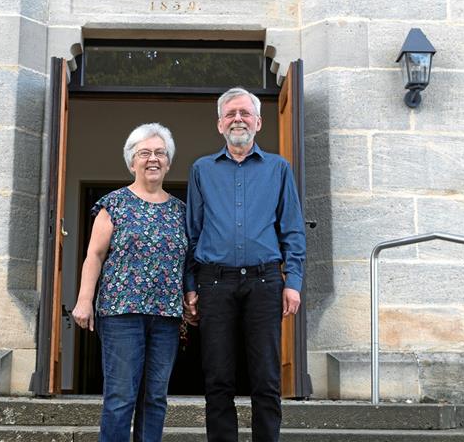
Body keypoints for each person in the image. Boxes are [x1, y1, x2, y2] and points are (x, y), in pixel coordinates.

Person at [183, 87, 306, 442]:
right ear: (220, 124)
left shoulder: (279, 168)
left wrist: (293, 281)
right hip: (214, 283)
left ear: (259, 122)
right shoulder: (202, 170)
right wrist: (190, 285)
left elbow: (293, 228)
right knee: (217, 377)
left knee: (266, 378)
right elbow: (193, 233)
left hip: (265, 282)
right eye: (231, 113)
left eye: (245, 113)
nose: (238, 119)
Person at [72, 123, 187, 442]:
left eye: (160, 153)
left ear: (168, 161)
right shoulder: (115, 204)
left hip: (166, 317)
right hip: (121, 314)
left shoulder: (181, 211)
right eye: (145, 153)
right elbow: (94, 255)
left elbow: (189, 261)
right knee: (121, 398)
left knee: (155, 398)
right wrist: (84, 300)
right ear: (132, 161)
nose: (153, 158)